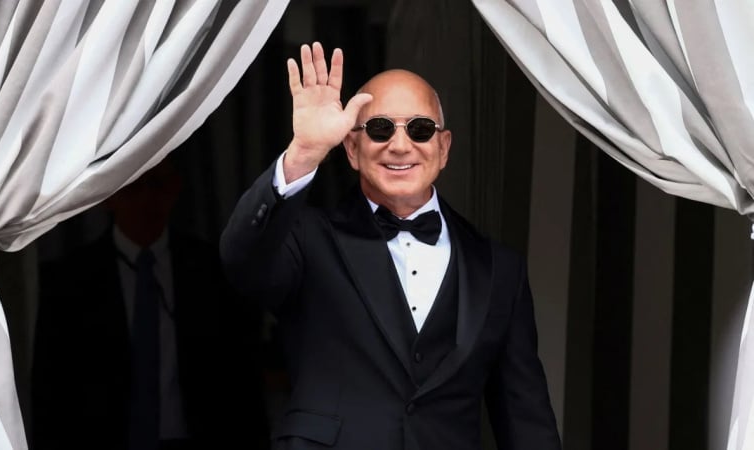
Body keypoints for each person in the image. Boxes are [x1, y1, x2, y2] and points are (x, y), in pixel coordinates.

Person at [219, 42, 562, 449]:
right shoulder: (307, 238)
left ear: (444, 148)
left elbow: (526, 420)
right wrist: (304, 154)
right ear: (352, 148)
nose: (400, 145)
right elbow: (241, 260)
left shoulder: (499, 269)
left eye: (420, 129)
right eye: (380, 128)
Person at [31, 153, 271, 450]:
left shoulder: (212, 271)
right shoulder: (69, 281)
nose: (146, 200)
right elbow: (50, 392)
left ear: (175, 189)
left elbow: (243, 380)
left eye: (157, 185)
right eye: (133, 186)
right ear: (109, 195)